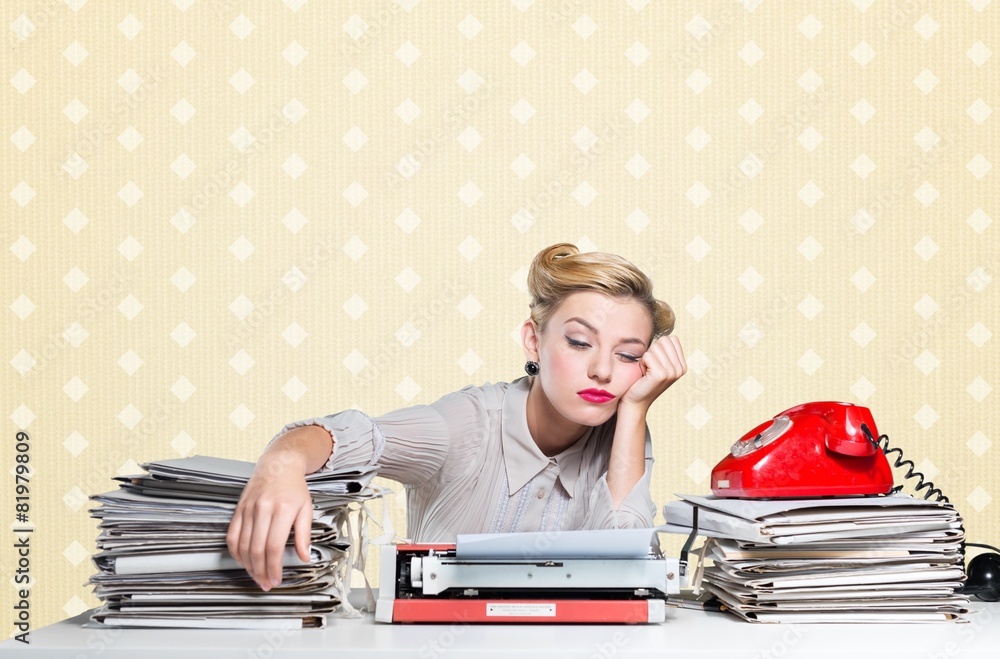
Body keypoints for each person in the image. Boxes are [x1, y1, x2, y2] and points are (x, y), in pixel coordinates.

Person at [227, 243, 687, 591]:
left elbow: (632, 575)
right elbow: (356, 436)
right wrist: (282, 463)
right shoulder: (467, 423)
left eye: (627, 355)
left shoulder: (624, 434)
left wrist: (634, 411)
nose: (603, 370)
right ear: (533, 341)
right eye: (580, 342)